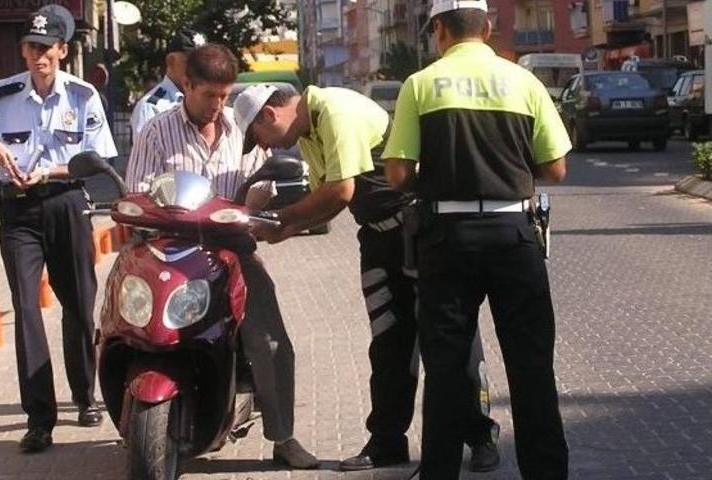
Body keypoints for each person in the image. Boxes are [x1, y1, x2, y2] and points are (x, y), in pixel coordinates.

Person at [233, 83, 501, 473]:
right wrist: (282, 229)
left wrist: (283, 222)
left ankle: (479, 436)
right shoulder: (309, 132)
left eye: (258, 137)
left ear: (269, 115)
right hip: (378, 238)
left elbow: (341, 191)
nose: (268, 149)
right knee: (389, 341)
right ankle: (387, 442)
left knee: (451, 337)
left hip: (421, 234)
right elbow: (325, 201)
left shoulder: (336, 110)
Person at [381, 0, 570, 477]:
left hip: (448, 239)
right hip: (514, 234)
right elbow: (556, 167)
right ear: (487, 28)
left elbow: (399, 173)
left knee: (445, 372)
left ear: (439, 30)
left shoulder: (420, 85)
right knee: (532, 370)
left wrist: (445, 174)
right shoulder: (523, 80)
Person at [124, 43, 319, 470]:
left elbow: (263, 185)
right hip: (169, 251)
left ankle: (284, 438)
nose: (217, 105)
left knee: (269, 339)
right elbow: (136, 195)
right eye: (208, 94)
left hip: (232, 247)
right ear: (187, 85)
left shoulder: (240, 129)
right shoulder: (156, 132)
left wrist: (261, 206)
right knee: (124, 321)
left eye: (224, 95)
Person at [0, 4, 117, 454]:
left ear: (62, 50)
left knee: (78, 304)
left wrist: (50, 173)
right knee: (26, 311)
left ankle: (86, 396)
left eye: (46, 48)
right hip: (18, 214)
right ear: (23, 51)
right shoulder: (3, 94)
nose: (39, 56)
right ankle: (39, 419)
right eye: (31, 47)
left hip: (66, 204)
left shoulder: (84, 96)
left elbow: (98, 160)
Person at [128, 29, 205, 137]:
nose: (198, 69)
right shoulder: (152, 106)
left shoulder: (205, 100)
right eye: (191, 62)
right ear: (171, 62)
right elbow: (146, 152)